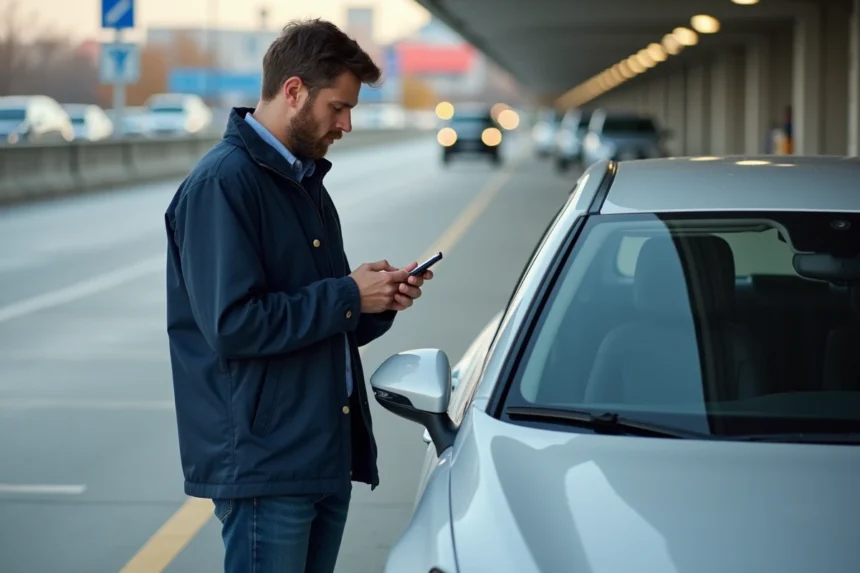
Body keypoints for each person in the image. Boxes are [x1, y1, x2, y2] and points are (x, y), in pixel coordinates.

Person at [163, 18, 433, 573]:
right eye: (339, 107)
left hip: (318, 454)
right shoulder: (223, 184)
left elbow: (326, 317)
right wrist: (347, 294)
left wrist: (378, 299)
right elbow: (234, 325)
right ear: (293, 92)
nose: (348, 124)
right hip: (267, 464)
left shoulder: (302, 181)